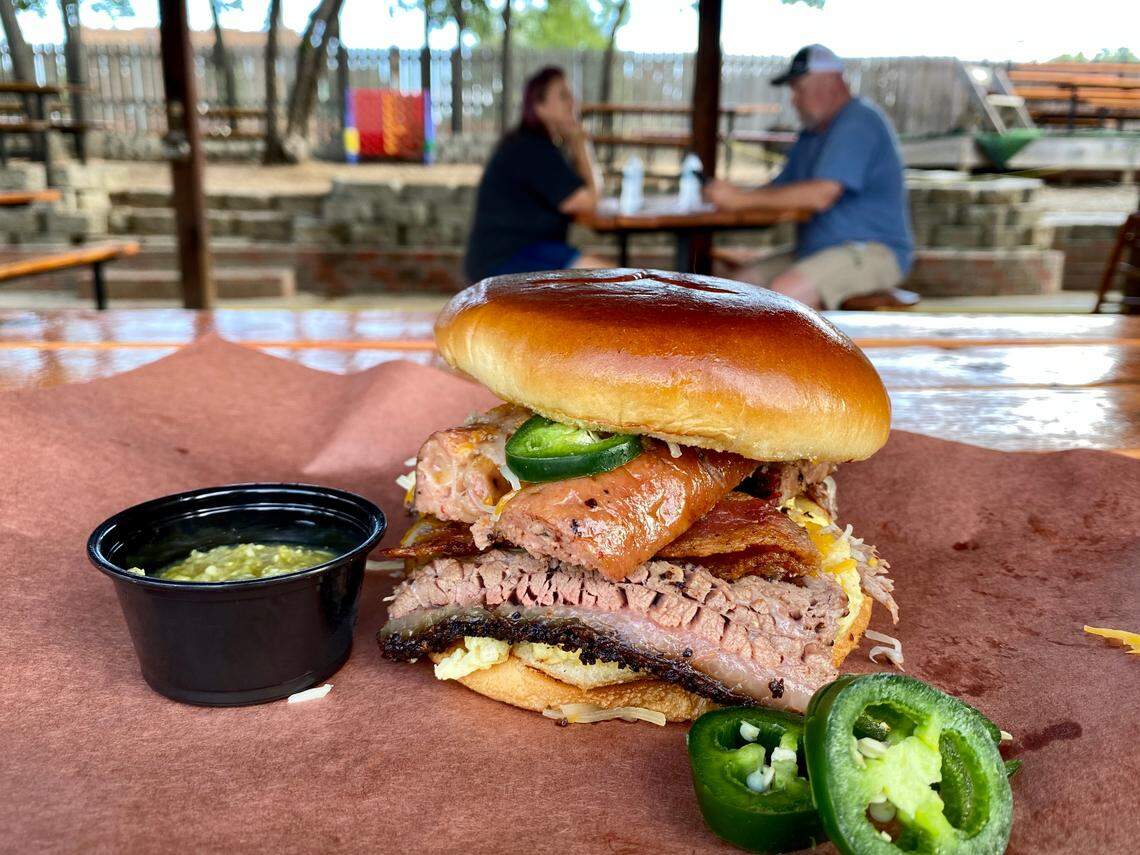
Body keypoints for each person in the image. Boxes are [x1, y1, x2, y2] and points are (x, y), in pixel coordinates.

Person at [703, 45, 916, 310]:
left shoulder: (859, 120)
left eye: (798, 88)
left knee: (782, 296)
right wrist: (735, 196)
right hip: (817, 252)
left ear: (831, 82)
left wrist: (739, 200)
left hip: (874, 252)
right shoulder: (811, 135)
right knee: (738, 286)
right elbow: (778, 192)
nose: (793, 99)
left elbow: (821, 195)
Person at [464, 66, 608, 283]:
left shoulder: (534, 145)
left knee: (607, 279)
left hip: (526, 252)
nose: (573, 103)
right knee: (608, 282)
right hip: (506, 259)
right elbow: (588, 202)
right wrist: (581, 144)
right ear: (539, 106)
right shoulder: (532, 148)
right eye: (563, 96)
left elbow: (584, 203)